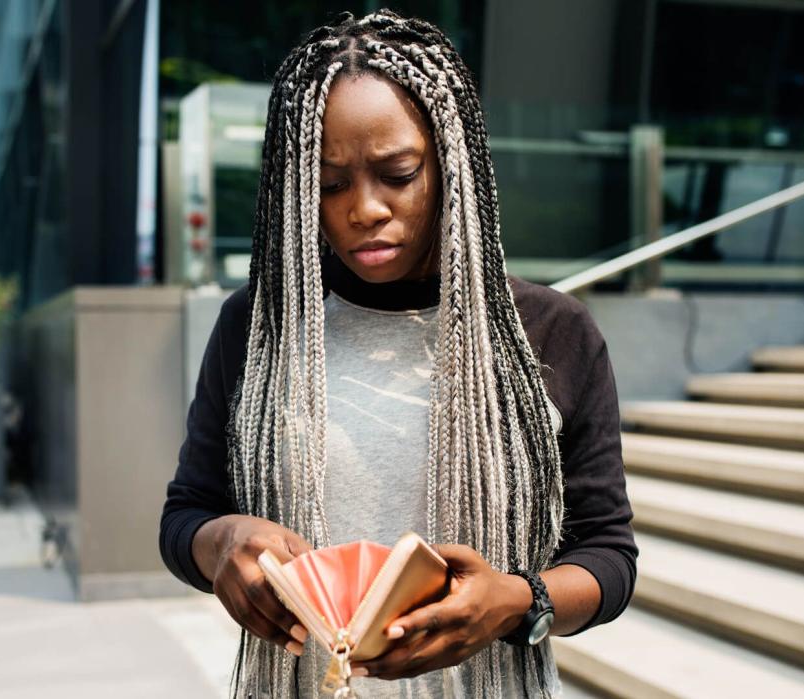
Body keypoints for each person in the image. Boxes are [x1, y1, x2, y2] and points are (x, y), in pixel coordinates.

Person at [160, 10, 636, 698]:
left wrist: (516, 600)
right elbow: (187, 515)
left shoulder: (553, 332)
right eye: (330, 183)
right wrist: (222, 540)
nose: (364, 208)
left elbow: (608, 556)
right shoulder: (258, 328)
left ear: (450, 166)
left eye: (397, 173)